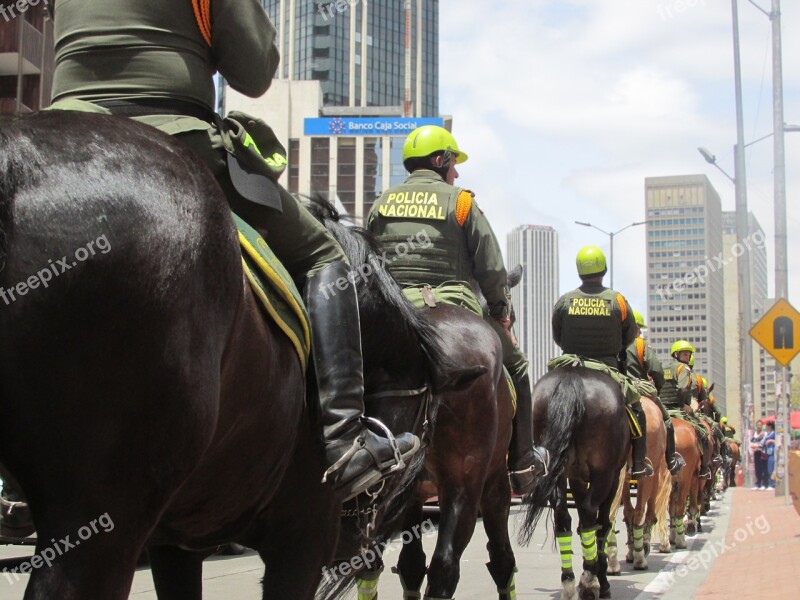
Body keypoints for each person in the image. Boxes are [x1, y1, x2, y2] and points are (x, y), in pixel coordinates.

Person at [47, 0, 418, 501]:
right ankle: (344, 439)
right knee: (324, 255)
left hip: (62, 132)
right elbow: (254, 70)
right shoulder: (462, 206)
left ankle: (17, 481)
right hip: (173, 135)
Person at [365, 125, 549, 495]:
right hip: (454, 303)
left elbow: (369, 261)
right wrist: (501, 314)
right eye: (453, 163)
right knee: (520, 369)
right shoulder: (461, 202)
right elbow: (492, 269)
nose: (457, 173)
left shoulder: (381, 203)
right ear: (440, 160)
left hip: (395, 312)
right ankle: (522, 463)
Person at [551, 246, 652, 478]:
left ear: (578, 271)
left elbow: (558, 336)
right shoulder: (618, 300)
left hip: (570, 365)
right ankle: (637, 463)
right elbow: (628, 336)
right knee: (637, 409)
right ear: (604, 269)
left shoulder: (564, 300)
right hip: (608, 369)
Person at [626, 310, 685, 475]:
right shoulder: (640, 344)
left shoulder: (615, 341)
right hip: (638, 387)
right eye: (640, 329)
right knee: (667, 420)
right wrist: (657, 388)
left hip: (617, 386)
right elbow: (657, 370)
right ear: (637, 328)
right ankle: (671, 460)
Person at [660, 340, 714, 480]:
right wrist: (683, 404)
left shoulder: (664, 368)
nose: (687, 357)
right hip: (678, 409)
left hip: (663, 408)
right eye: (684, 354)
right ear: (676, 354)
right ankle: (704, 469)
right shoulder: (684, 369)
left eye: (688, 355)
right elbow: (683, 388)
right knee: (703, 433)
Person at [750, 420, 768, 489]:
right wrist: (756, 439)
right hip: (756, 452)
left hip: (762, 453)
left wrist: (757, 441)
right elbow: (752, 441)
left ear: (762, 426)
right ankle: (758, 483)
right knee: (757, 469)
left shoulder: (764, 433)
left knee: (763, 468)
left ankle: (764, 484)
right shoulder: (755, 433)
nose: (759, 426)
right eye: (758, 425)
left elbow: (764, 442)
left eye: (760, 425)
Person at [763, 421, 776, 489]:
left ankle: (773, 484)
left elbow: (778, 441)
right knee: (768, 469)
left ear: (770, 426)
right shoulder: (768, 434)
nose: (766, 427)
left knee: (771, 469)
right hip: (768, 453)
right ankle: (771, 483)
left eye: (767, 426)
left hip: (773, 453)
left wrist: (771, 441)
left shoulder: (774, 433)